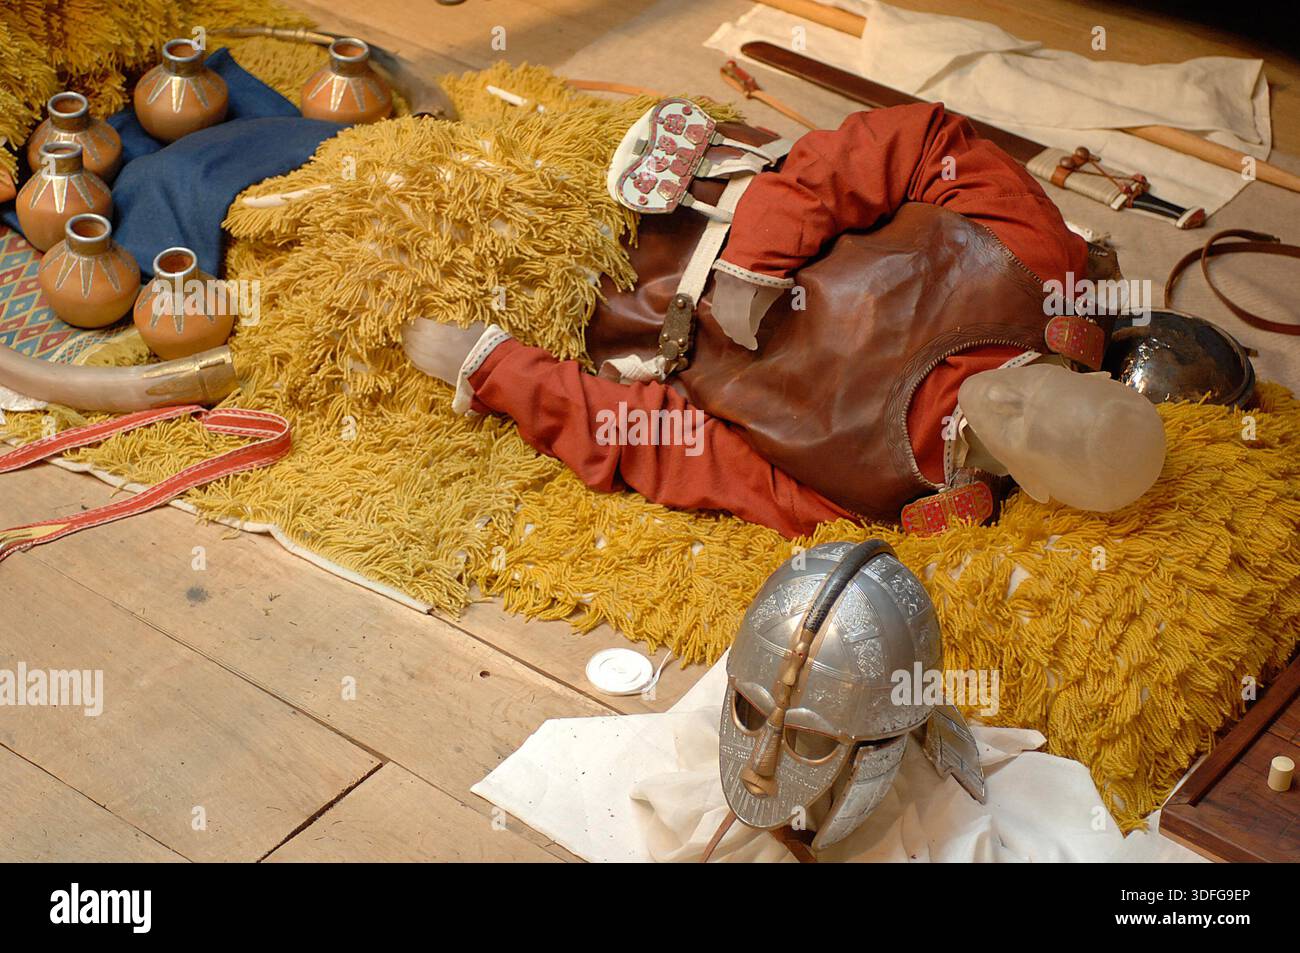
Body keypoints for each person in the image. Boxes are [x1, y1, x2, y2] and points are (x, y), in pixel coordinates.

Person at [404, 103, 1165, 538]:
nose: (1006, 397)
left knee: (393, 230)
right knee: (470, 122)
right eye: (1048, 390)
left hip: (591, 307)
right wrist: (760, 253)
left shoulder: (887, 496)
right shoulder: (1040, 266)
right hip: (676, 174)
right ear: (1089, 373)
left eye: (1025, 435)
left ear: (1034, 487)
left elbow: (677, 450)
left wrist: (498, 369)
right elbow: (915, 139)